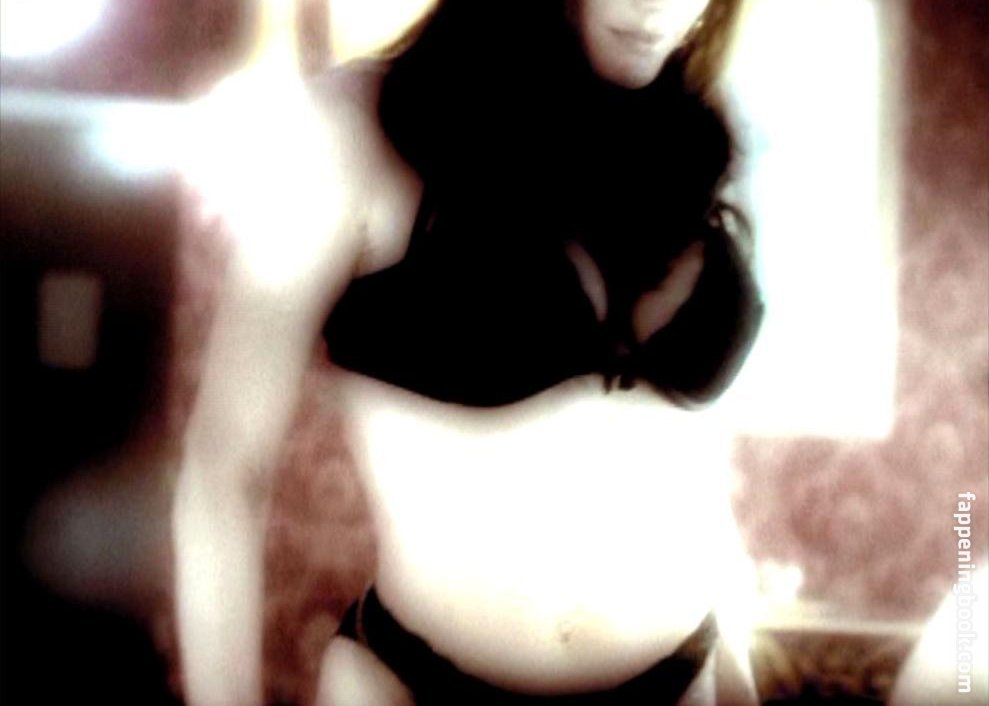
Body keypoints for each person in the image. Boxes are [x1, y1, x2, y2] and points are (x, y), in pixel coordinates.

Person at [172, 1, 764, 704]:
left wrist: (738, 676)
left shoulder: (701, 141)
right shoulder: (347, 130)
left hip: (684, 679)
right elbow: (222, 471)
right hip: (413, 687)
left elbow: (685, 464)